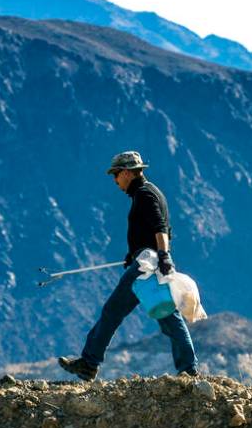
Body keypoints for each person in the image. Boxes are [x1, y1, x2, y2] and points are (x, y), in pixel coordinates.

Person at [58, 151, 198, 380]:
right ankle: (188, 369)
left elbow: (160, 227)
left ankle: (89, 363)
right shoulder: (152, 192)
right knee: (168, 315)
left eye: (116, 175)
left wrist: (162, 256)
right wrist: (134, 252)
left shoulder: (144, 194)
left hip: (146, 266)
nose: (115, 181)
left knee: (113, 311)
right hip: (149, 261)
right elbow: (155, 229)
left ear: (126, 172)